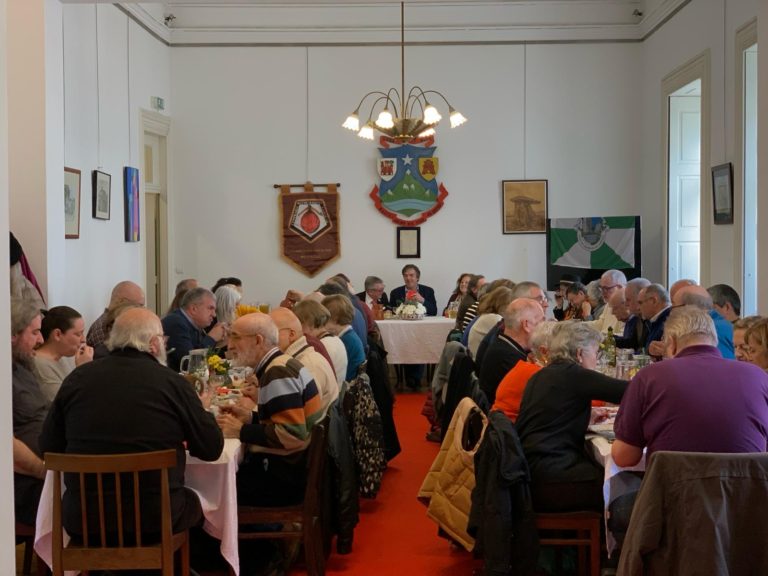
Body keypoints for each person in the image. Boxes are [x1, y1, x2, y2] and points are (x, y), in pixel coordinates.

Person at [39, 307, 224, 538]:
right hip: (156, 519)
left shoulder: (76, 379)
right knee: (198, 500)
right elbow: (211, 448)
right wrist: (203, 410)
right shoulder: (172, 383)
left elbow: (48, 448)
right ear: (155, 344)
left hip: (86, 520)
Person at [613, 305, 768, 468]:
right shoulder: (758, 377)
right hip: (745, 490)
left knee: (623, 490)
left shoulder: (649, 376)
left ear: (671, 343)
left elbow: (624, 457)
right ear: (714, 340)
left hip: (672, 490)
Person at [516, 322, 627, 513]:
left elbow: (549, 416)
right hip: (553, 479)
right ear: (579, 354)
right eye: (595, 353)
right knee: (622, 485)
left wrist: (583, 416)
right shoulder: (575, 375)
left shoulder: (541, 375)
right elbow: (630, 392)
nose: (597, 359)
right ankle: (619, 541)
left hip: (529, 472)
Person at [215, 313, 322, 506]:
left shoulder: (277, 372)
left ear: (258, 340)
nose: (229, 345)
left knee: (216, 487)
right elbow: (285, 422)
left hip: (284, 477)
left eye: (236, 337)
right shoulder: (281, 363)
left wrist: (240, 430)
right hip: (292, 466)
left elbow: (291, 435)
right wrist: (250, 417)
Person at [11, 297, 47, 526]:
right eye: (34, 333)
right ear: (13, 334)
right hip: (27, 481)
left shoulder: (22, 366)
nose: (41, 340)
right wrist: (44, 471)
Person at [270, 307, 339, 413]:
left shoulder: (307, 365)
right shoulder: (300, 356)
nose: (267, 338)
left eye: (272, 332)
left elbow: (299, 418)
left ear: (291, 335)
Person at [478, 298, 545, 405]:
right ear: (526, 325)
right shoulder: (508, 359)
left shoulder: (502, 343)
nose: (544, 327)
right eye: (541, 322)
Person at [492, 320, 558, 422]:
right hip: (513, 434)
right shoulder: (539, 375)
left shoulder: (527, 367)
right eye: (562, 349)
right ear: (545, 352)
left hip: (504, 431)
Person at [32, 306, 94, 401]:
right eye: (78, 334)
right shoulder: (40, 364)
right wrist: (83, 369)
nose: (83, 340)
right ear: (57, 334)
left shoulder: (62, 357)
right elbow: (67, 403)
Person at [162, 287, 228, 371]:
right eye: (210, 308)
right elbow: (191, 365)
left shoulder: (193, 324)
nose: (214, 315)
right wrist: (211, 338)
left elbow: (202, 355)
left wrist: (220, 345)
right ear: (193, 309)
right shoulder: (177, 323)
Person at [293, 299, 347, 387]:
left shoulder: (320, 346)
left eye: (299, 324)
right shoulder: (335, 339)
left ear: (309, 323)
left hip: (329, 396)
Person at [674, 284, 735, 359]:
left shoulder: (708, 330)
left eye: (674, 307)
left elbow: (714, 366)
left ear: (687, 307)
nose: (671, 313)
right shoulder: (721, 324)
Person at [87, 280, 145, 347]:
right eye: (138, 306)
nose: (142, 311)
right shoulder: (103, 328)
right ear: (121, 302)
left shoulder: (120, 324)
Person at [323, 294, 365, 382]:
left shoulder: (346, 341)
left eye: (324, 319)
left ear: (334, 318)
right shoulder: (348, 335)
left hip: (346, 387)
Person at [465, 286, 514, 359]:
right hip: (480, 364)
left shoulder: (487, 316)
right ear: (504, 304)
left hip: (476, 360)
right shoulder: (495, 319)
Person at [615, 277, 650, 350]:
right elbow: (632, 343)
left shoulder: (653, 320)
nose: (626, 304)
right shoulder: (638, 317)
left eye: (628, 300)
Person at [637, 283, 672, 357]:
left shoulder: (668, 321)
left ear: (653, 301)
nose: (638, 308)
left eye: (640, 303)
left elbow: (657, 353)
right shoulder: (655, 320)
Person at [588, 269, 627, 334]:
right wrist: (579, 325)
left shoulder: (627, 305)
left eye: (606, 288)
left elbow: (623, 335)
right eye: (601, 288)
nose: (603, 292)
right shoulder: (608, 302)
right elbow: (601, 323)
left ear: (620, 287)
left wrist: (602, 337)